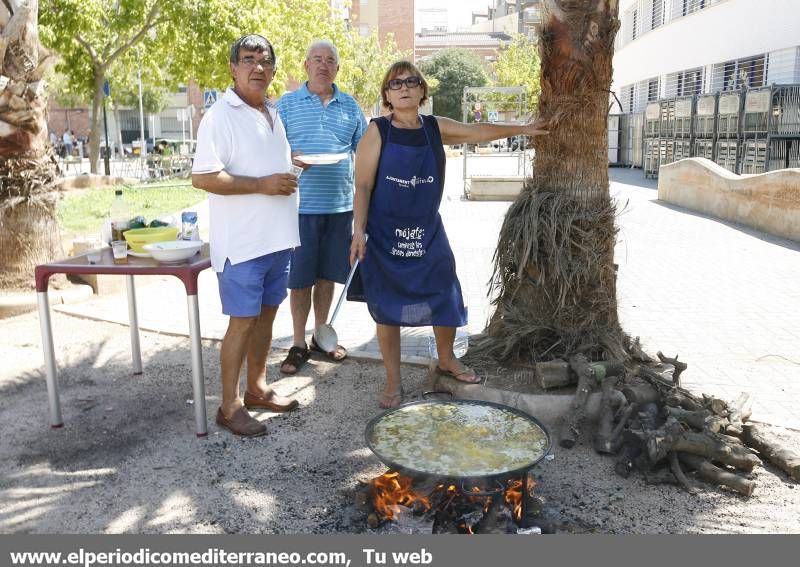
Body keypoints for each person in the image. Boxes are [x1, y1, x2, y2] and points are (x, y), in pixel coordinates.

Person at [350, 61, 549, 408]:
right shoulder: (377, 132)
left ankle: (446, 358)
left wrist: (525, 129)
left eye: (411, 81)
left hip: (427, 233)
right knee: (387, 308)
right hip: (384, 236)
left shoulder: (434, 128)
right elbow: (363, 185)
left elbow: (477, 132)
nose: (404, 88)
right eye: (395, 84)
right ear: (387, 95)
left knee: (445, 292)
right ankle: (393, 383)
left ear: (422, 91)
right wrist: (358, 231)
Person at [192, 34, 300, 437]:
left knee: (267, 316)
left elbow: (269, 163)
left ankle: (256, 388)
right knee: (242, 322)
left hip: (277, 239)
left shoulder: (271, 111)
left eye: (265, 60)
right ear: (233, 69)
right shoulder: (221, 115)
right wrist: (262, 183)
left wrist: (291, 164)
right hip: (243, 244)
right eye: (248, 59)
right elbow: (202, 176)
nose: (258, 66)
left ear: (273, 69)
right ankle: (229, 405)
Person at [276, 40, 367, 374]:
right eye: (317, 59)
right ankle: (298, 343)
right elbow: (270, 152)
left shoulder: (351, 107)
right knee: (300, 281)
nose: (323, 65)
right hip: (299, 209)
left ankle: (321, 336)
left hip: (340, 208)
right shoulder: (286, 105)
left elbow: (365, 152)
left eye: (330, 60)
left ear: (337, 69)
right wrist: (289, 159)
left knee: (327, 276)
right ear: (306, 65)